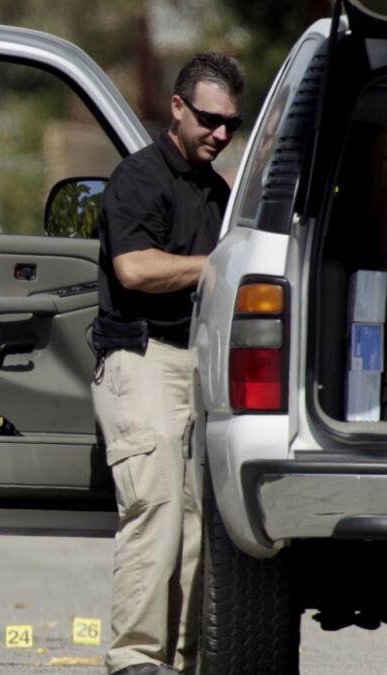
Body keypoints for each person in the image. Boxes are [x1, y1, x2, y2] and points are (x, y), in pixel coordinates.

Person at [91, 53, 244, 675]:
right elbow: (135, 269)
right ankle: (134, 659)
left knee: (198, 527)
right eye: (209, 118)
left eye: (231, 123)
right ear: (177, 107)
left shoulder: (217, 192)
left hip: (197, 365)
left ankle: (179, 661)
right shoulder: (138, 178)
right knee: (154, 509)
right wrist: (212, 267)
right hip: (141, 358)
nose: (220, 133)